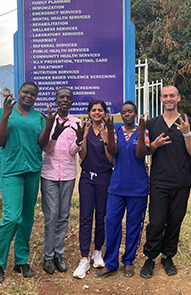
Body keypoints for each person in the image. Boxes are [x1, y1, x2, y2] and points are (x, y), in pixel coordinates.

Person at [0, 81, 56, 284]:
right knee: (12, 217)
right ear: (19, 93)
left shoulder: (38, 117)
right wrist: (5, 116)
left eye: (33, 94)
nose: (29, 96)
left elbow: (42, 144)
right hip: (11, 171)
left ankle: (21, 261)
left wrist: (49, 125)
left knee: (27, 218)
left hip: (32, 170)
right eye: (26, 92)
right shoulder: (4, 111)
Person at [96, 101, 167, 278]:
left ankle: (128, 260)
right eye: (124, 112)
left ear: (135, 114)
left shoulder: (144, 131)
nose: (127, 114)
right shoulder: (117, 131)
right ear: (121, 115)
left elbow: (141, 154)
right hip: (117, 186)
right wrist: (110, 130)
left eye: (130, 112)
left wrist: (142, 130)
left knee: (134, 225)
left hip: (138, 187)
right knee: (111, 222)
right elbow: (112, 152)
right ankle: (111, 262)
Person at [140, 85, 191, 279]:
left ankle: (168, 256)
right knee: (156, 222)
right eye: (165, 96)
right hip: (159, 182)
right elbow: (145, 151)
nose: (168, 99)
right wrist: (154, 146)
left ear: (178, 98)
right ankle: (150, 257)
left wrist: (186, 133)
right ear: (160, 99)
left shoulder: (189, 122)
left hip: (181, 181)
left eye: (172, 95)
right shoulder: (153, 124)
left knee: (175, 222)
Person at [41, 87, 85, 275]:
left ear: (72, 102)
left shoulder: (76, 123)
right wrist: (55, 133)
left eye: (68, 97)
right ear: (56, 100)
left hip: (68, 174)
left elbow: (72, 152)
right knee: (51, 216)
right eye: (61, 97)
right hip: (49, 174)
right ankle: (48, 256)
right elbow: (46, 148)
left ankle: (59, 253)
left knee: (64, 215)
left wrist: (80, 140)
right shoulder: (48, 121)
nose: (65, 100)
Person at [73, 100, 113, 279]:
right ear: (89, 112)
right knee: (86, 216)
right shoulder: (85, 130)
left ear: (104, 112)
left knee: (102, 215)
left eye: (100, 110)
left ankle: (97, 250)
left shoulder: (108, 130)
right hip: (87, 178)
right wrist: (82, 138)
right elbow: (82, 155)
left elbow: (111, 159)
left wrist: (106, 140)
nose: (97, 112)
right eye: (94, 110)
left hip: (105, 177)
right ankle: (84, 258)